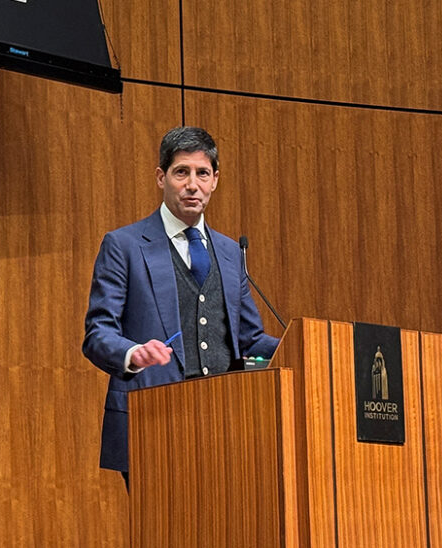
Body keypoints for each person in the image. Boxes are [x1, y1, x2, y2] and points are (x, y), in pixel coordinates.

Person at [82, 126, 280, 487]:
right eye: (181, 172)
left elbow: (250, 340)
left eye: (202, 173)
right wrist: (133, 352)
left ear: (215, 180)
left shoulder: (230, 254)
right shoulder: (123, 245)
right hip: (154, 422)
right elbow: (98, 333)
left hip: (228, 425)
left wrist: (301, 345)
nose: (192, 184)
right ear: (162, 177)